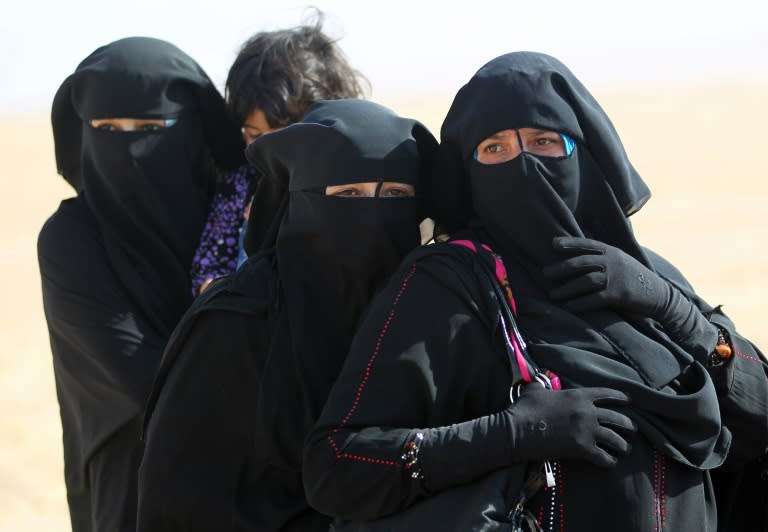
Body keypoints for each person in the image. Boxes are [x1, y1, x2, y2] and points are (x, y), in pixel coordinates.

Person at [303, 52, 768, 531]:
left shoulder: (645, 273)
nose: (522, 164)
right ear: (467, 170)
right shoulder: (448, 286)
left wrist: (673, 308)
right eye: (494, 149)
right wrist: (512, 434)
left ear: (584, 152)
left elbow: (759, 416)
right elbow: (336, 463)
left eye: (545, 141)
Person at [136, 99, 438, 531]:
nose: (373, 214)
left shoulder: (421, 309)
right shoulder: (237, 320)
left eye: (394, 195)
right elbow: (177, 499)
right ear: (299, 199)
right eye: (348, 194)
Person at [38, 37, 244, 532]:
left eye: (151, 129)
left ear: (195, 130)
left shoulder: (235, 221)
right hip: (131, 495)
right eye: (107, 129)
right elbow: (146, 384)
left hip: (257, 497)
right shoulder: (72, 239)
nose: (127, 148)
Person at [190, 13, 367, 294]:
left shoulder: (359, 185)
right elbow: (207, 271)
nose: (268, 151)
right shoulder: (240, 185)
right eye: (254, 135)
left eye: (286, 133)